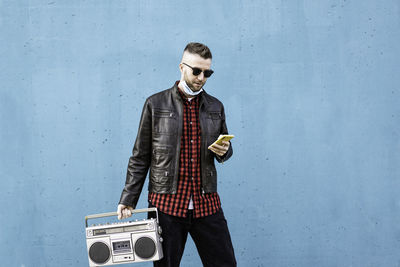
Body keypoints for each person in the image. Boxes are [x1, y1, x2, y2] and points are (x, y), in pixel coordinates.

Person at [117, 42, 236, 267]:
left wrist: (225, 151)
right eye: (196, 71)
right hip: (166, 207)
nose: (201, 77)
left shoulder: (215, 107)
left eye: (207, 72)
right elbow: (140, 157)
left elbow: (225, 150)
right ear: (182, 67)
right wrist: (128, 199)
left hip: (206, 204)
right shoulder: (155, 104)